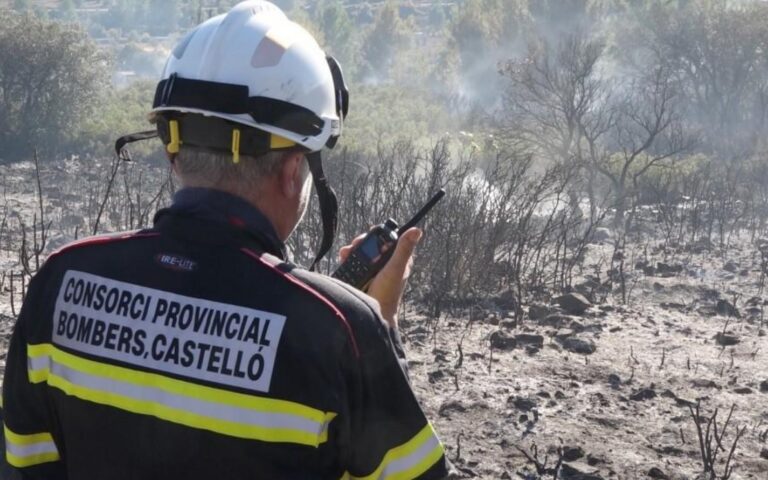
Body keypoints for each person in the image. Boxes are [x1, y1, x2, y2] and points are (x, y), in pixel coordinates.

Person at [1, 2, 449, 479]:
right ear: (293, 170)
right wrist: (382, 328)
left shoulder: (61, 281)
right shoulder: (339, 330)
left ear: (173, 152)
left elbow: (23, 465)